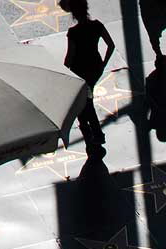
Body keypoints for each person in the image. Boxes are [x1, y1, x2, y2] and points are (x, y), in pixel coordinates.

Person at [61, 0, 115, 150]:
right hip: (95, 68)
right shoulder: (97, 25)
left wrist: (63, 73)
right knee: (87, 99)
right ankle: (94, 133)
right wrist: (103, 63)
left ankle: (93, 133)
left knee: (83, 102)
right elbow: (111, 45)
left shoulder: (73, 33)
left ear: (74, 15)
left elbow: (69, 57)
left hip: (79, 71)